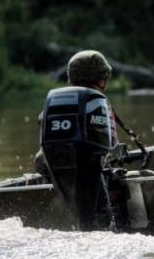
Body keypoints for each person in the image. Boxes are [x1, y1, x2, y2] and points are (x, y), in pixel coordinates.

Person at [34, 50, 119, 178]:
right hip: (90, 171)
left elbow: (41, 120)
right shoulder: (99, 101)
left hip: (50, 167)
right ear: (101, 79)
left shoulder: (57, 98)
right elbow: (112, 145)